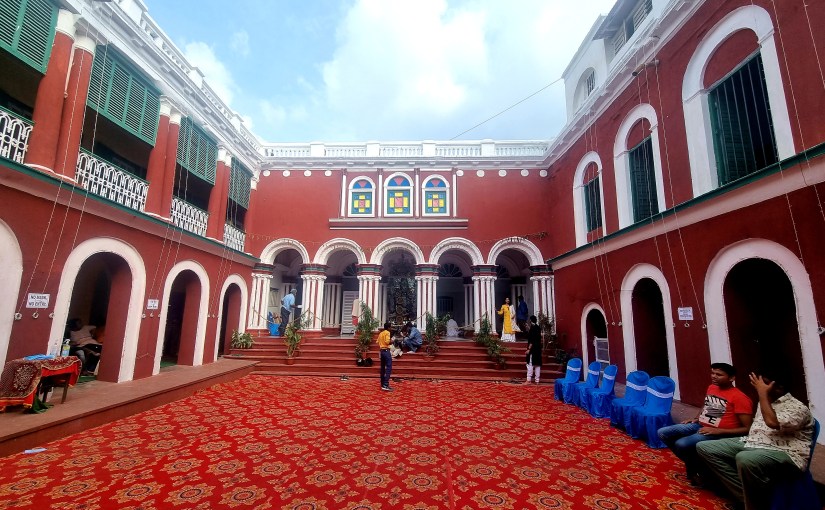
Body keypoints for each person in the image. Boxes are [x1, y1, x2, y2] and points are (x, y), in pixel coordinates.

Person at [697, 369, 814, 510]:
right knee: (704, 447)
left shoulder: (797, 407)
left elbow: (772, 422)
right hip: (753, 442)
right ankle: (748, 497)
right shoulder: (765, 400)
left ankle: (753, 503)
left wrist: (762, 394)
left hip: (785, 451)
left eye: (763, 385)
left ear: (779, 388)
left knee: (745, 458)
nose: (758, 387)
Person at [657, 363, 753, 485]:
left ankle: (697, 470)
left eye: (719, 374)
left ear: (732, 378)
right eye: (712, 373)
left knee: (682, 444)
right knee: (663, 433)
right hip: (701, 425)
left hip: (719, 433)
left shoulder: (740, 397)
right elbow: (707, 403)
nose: (714, 376)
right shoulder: (712, 387)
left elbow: (748, 428)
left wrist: (719, 431)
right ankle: (697, 466)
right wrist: (696, 418)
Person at [525, 315, 542, 383]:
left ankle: (528, 380)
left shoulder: (533, 328)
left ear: (531, 320)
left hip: (533, 349)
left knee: (530, 364)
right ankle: (537, 380)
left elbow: (532, 339)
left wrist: (529, 349)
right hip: (538, 348)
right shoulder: (538, 328)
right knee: (537, 364)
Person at [377, 322, 393, 391]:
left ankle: (382, 383)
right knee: (389, 367)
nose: (391, 328)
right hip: (386, 350)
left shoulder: (381, 333)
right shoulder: (387, 333)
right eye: (390, 327)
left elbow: (377, 341)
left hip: (381, 351)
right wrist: (391, 341)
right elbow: (387, 342)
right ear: (388, 327)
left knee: (382, 367)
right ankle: (386, 384)